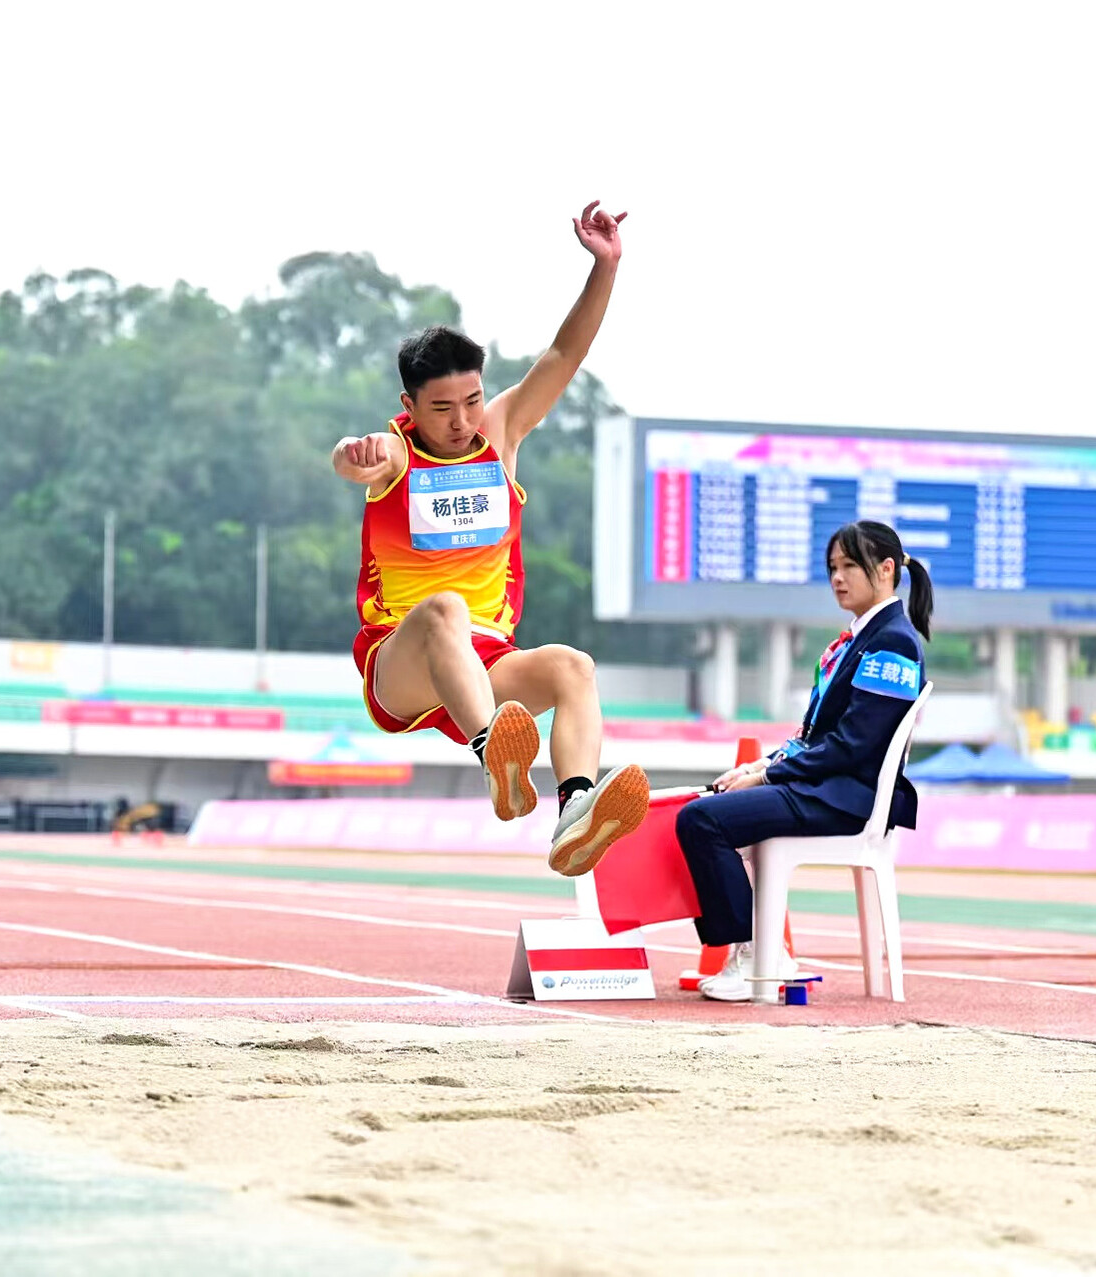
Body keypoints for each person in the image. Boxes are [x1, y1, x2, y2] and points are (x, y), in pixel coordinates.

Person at [331, 201, 649, 878]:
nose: (461, 420)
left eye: (471, 401)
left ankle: (576, 809)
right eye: (441, 408)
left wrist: (606, 266)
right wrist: (350, 455)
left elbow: (566, 352)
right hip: (405, 665)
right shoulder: (395, 450)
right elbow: (353, 456)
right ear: (410, 406)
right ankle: (495, 755)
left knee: (573, 666)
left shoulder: (500, 434)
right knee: (444, 606)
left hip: (485, 662)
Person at [676, 520, 935, 1001]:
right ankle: (757, 951)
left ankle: (759, 955)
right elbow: (816, 736)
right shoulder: (862, 637)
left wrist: (770, 773)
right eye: (833, 567)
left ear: (886, 569)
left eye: (850, 566)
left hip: (845, 798)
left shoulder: (894, 642)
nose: (838, 577)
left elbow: (855, 745)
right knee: (701, 806)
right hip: (820, 788)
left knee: (702, 820)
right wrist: (755, 769)